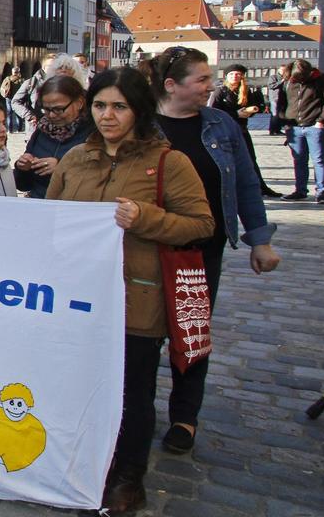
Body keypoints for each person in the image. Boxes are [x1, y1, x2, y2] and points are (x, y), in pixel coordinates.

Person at [46, 67, 214, 513]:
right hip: (78, 298)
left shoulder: (168, 162)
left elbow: (201, 224)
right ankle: (82, 461)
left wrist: (146, 218)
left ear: (138, 110)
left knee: (132, 392)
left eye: (119, 106)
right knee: (78, 385)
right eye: (100, 105)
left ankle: (127, 476)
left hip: (136, 300)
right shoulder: (75, 159)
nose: (108, 115)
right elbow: (51, 221)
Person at [143, 47, 280, 455]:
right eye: (201, 79)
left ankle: (185, 416)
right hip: (148, 244)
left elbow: (246, 183)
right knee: (144, 335)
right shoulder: (143, 125)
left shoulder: (221, 126)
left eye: (210, 79)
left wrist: (260, 239)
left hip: (201, 248)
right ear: (172, 85)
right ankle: (138, 410)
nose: (210, 86)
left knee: (191, 331)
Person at [12, 75, 91, 199]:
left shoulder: (93, 133)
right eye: (46, 110)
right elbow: (23, 185)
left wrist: (62, 168)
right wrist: (22, 168)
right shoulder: (41, 132)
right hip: (41, 206)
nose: (52, 115)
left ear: (79, 103)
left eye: (59, 109)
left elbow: (100, 180)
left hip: (75, 209)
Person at [209, 64, 277, 197]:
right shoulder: (220, 91)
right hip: (224, 131)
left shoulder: (245, 91)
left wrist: (250, 111)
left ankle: (260, 187)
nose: (235, 76)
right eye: (232, 74)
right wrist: (236, 114)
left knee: (250, 159)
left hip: (242, 130)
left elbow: (253, 107)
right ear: (227, 76)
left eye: (238, 74)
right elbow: (213, 111)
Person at [281, 58, 324, 201]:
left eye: (300, 78)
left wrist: (321, 121)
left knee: (318, 160)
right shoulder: (289, 81)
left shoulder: (323, 80)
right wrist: (285, 121)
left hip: (315, 127)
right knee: (299, 160)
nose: (297, 80)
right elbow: (283, 102)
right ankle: (300, 191)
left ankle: (321, 192)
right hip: (294, 127)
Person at [267, 63, 290, 137]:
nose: (284, 72)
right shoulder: (273, 77)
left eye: (285, 70)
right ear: (279, 70)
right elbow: (271, 86)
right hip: (275, 99)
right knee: (275, 114)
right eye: (282, 70)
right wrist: (282, 81)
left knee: (281, 115)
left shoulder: (287, 78)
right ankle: (272, 130)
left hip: (283, 99)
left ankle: (277, 129)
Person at [0, 66, 24, 132]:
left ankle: (10, 130)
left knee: (9, 114)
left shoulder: (7, 78)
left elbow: (2, 87)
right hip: (18, 99)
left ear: (12, 72)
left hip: (8, 98)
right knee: (18, 114)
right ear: (18, 72)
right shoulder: (20, 80)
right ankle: (19, 129)